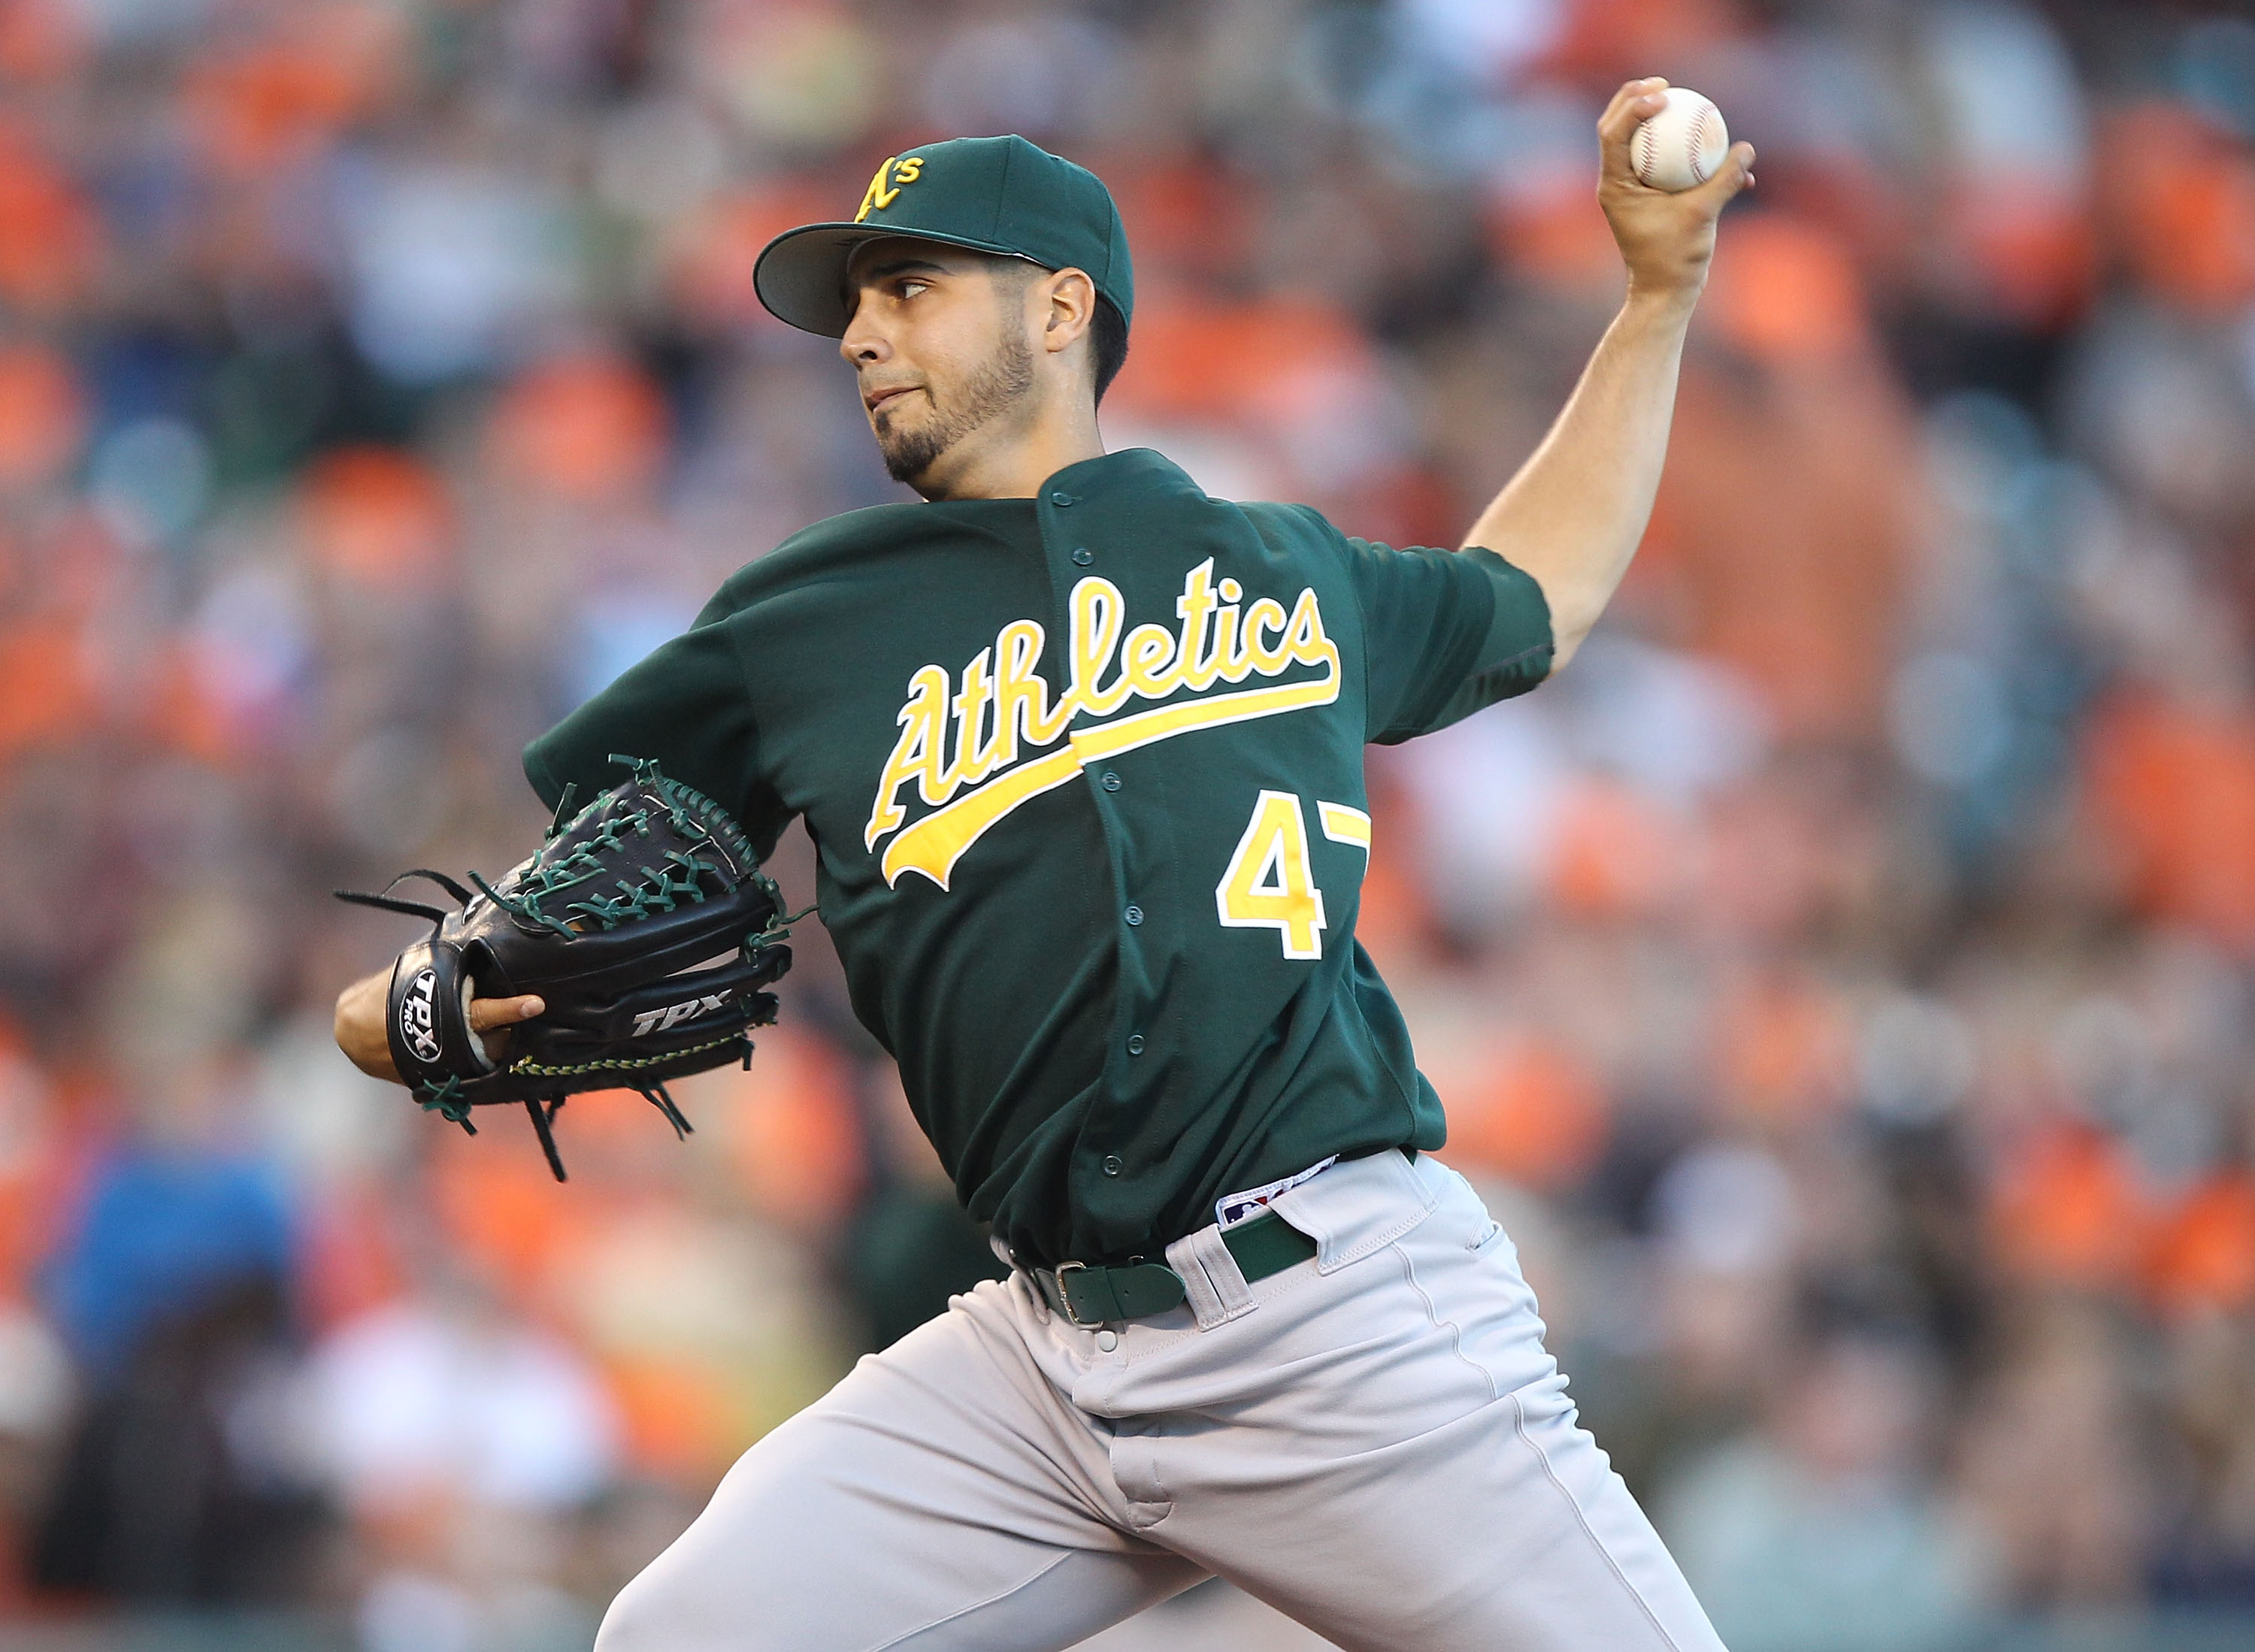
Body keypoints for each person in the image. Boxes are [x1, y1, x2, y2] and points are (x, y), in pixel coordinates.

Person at [337, 79, 1754, 1651]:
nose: (863, 333)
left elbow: (1529, 598)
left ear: (1063, 304)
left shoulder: (1271, 560)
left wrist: (1656, 298)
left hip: (1337, 1318)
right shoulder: (802, 622)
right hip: (1039, 1358)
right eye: (855, 302)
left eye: (912, 285)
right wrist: (414, 1003)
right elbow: (565, 893)